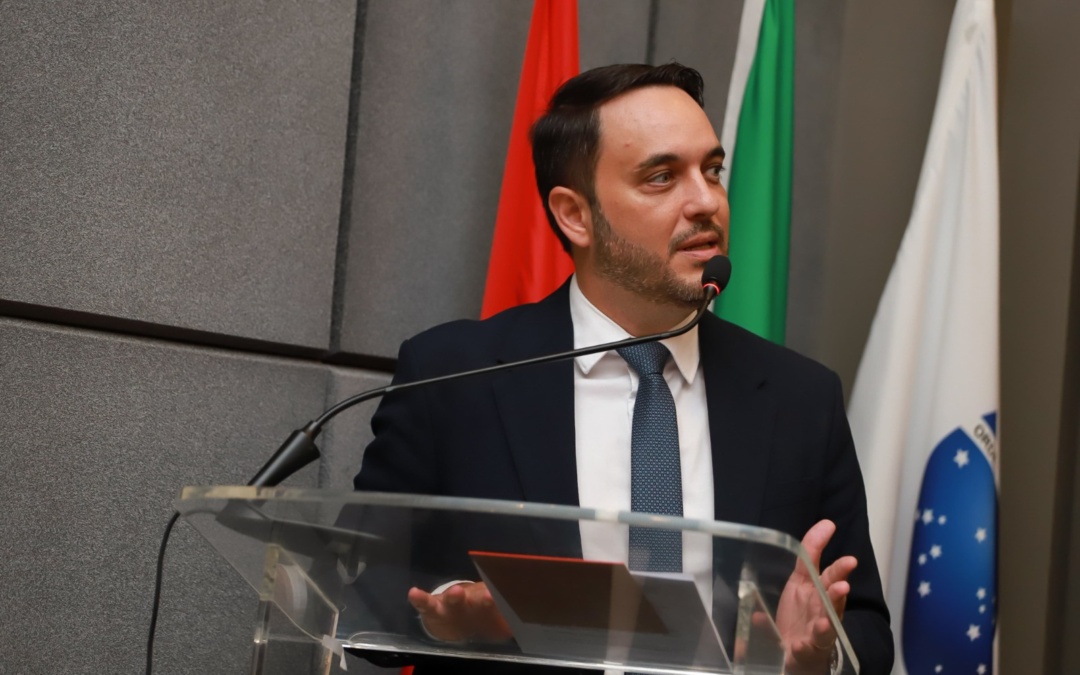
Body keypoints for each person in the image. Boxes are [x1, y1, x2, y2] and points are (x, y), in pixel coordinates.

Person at [353, 63, 893, 674]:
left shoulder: (801, 398)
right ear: (575, 215)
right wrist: (449, 611)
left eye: (712, 170)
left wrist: (820, 657)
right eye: (661, 177)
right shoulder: (454, 379)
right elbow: (361, 590)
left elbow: (867, 627)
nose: (706, 201)